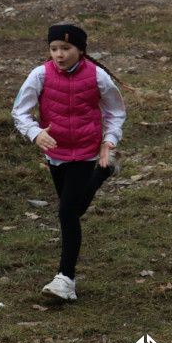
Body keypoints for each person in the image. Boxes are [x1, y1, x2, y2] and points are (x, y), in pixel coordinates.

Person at [12, 22, 127, 302]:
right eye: (53, 49)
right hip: (56, 153)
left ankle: (65, 279)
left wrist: (109, 140)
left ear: (81, 50)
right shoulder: (40, 75)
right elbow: (20, 112)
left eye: (66, 48)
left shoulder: (98, 76)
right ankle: (102, 173)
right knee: (75, 208)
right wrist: (36, 133)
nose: (59, 55)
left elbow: (115, 110)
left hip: (87, 152)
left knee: (66, 212)